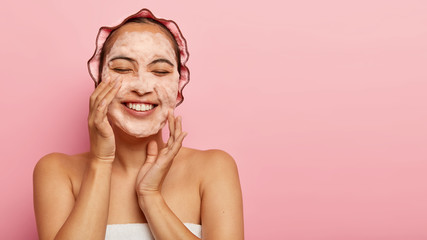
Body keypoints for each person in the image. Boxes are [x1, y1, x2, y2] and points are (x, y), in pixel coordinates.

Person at [33, 8, 244, 240]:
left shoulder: (213, 168)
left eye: (160, 71)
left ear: (178, 86)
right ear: (99, 79)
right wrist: (101, 162)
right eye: (122, 69)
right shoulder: (58, 172)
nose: (142, 87)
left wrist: (150, 197)